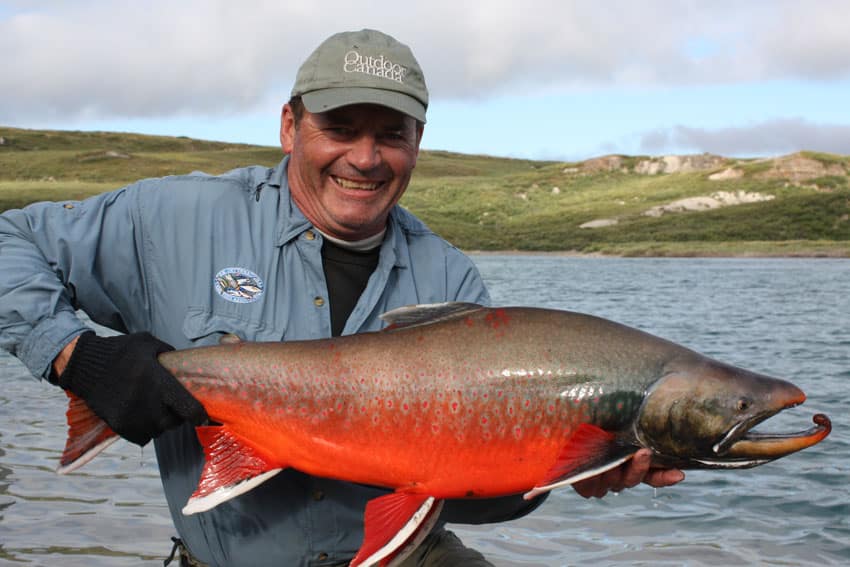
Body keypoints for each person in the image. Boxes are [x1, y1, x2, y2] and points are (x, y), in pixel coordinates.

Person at [0, 29, 683, 567]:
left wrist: (568, 469)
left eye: (391, 134)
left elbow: (462, 493)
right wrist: (74, 354)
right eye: (340, 128)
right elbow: (12, 239)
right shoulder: (174, 220)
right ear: (289, 126)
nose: (365, 157)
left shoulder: (450, 282)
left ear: (419, 143)